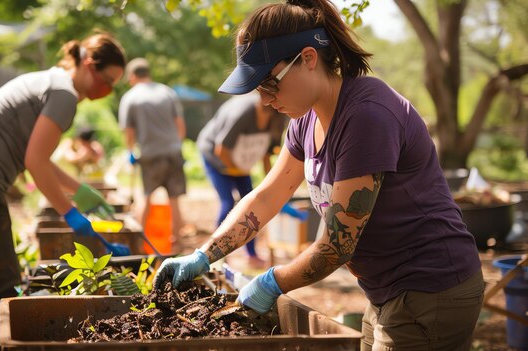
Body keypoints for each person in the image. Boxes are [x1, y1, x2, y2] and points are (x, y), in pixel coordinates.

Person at [153, 1, 484, 350]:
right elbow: (266, 196)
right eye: (258, 90)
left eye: (270, 83)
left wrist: (272, 282)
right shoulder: (304, 121)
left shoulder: (366, 117)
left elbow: (338, 245)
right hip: (386, 291)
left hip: (432, 289)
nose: (265, 100)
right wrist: (204, 255)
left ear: (308, 58)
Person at [0, 32, 130, 351]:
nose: (106, 91)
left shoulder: (51, 82)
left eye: (113, 86)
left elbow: (36, 157)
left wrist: (80, 190)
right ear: (87, 64)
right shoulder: (64, 93)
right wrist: (71, 214)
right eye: (106, 81)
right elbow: (35, 161)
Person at [197, 93, 305, 266]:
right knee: (228, 201)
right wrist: (236, 169)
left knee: (251, 205)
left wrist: (274, 185)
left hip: (240, 163)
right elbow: (221, 149)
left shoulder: (277, 119)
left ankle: (251, 254)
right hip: (217, 157)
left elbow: (266, 155)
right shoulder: (241, 114)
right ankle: (216, 254)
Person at [118, 57, 188, 243]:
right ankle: (177, 241)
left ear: (132, 76)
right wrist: (176, 144)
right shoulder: (167, 92)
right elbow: (180, 125)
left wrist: (130, 151)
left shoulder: (130, 97)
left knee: (147, 196)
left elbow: (129, 131)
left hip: (150, 154)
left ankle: (140, 241)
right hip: (173, 152)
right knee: (174, 199)